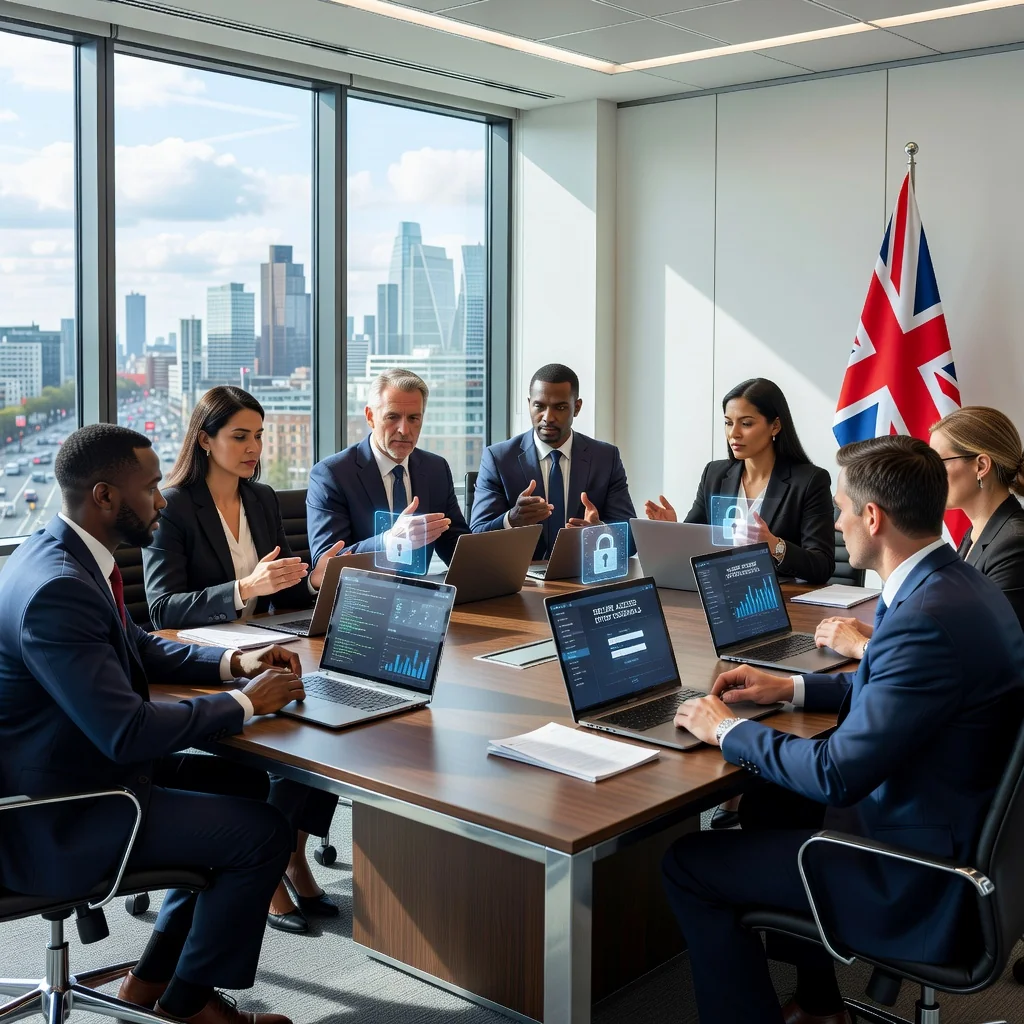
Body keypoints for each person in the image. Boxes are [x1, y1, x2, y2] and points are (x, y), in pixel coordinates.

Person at [663, 435, 1024, 1024]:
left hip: (914, 877)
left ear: (873, 517)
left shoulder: (924, 618)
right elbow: (903, 694)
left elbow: (837, 774)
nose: (836, 521)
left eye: (841, 508)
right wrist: (792, 688)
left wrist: (727, 729)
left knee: (688, 864)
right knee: (774, 804)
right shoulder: (950, 584)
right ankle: (822, 1004)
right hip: (961, 832)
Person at [0, 423, 307, 1024]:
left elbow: (133, 642)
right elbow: (128, 731)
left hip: (69, 766)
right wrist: (248, 703)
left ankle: (151, 980)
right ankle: (189, 1009)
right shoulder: (58, 590)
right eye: (149, 488)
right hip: (58, 812)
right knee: (262, 832)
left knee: (243, 784)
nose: (163, 500)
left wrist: (234, 663)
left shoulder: (54, 553)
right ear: (105, 496)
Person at [143, 386, 342, 935]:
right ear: (205, 440)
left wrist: (314, 581)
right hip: (200, 659)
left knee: (322, 719)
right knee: (286, 725)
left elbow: (284, 599)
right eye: (240, 436)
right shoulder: (175, 505)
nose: (253, 447)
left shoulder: (262, 498)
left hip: (262, 643)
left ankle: (292, 850)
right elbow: (161, 608)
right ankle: (272, 868)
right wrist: (241, 587)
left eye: (258, 435)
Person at [816, 406, 1024, 659]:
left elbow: (991, 648)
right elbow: (955, 630)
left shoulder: (1015, 542)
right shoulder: (977, 531)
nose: (928, 472)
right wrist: (880, 635)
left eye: (938, 462)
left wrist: (862, 647)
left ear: (981, 466)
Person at [644, 377, 835, 584]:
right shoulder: (714, 474)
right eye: (728, 423)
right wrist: (674, 531)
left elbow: (822, 566)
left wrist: (774, 544)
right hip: (721, 591)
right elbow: (695, 550)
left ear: (775, 426)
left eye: (746, 423)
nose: (733, 433)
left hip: (775, 597)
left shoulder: (809, 481)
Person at [470, 363, 637, 559]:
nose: (548, 417)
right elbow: (476, 537)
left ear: (577, 407)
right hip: (521, 580)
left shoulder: (605, 458)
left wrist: (600, 531)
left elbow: (632, 541)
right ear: (529, 404)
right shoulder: (498, 459)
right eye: (539, 406)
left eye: (560, 407)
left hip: (583, 576)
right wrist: (511, 519)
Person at [306, 367, 470, 566]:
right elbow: (328, 561)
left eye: (413, 418)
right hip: (360, 593)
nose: (404, 430)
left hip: (418, 591)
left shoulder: (436, 468)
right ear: (370, 417)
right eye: (392, 417)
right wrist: (390, 541)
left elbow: (458, 546)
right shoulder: (332, 475)